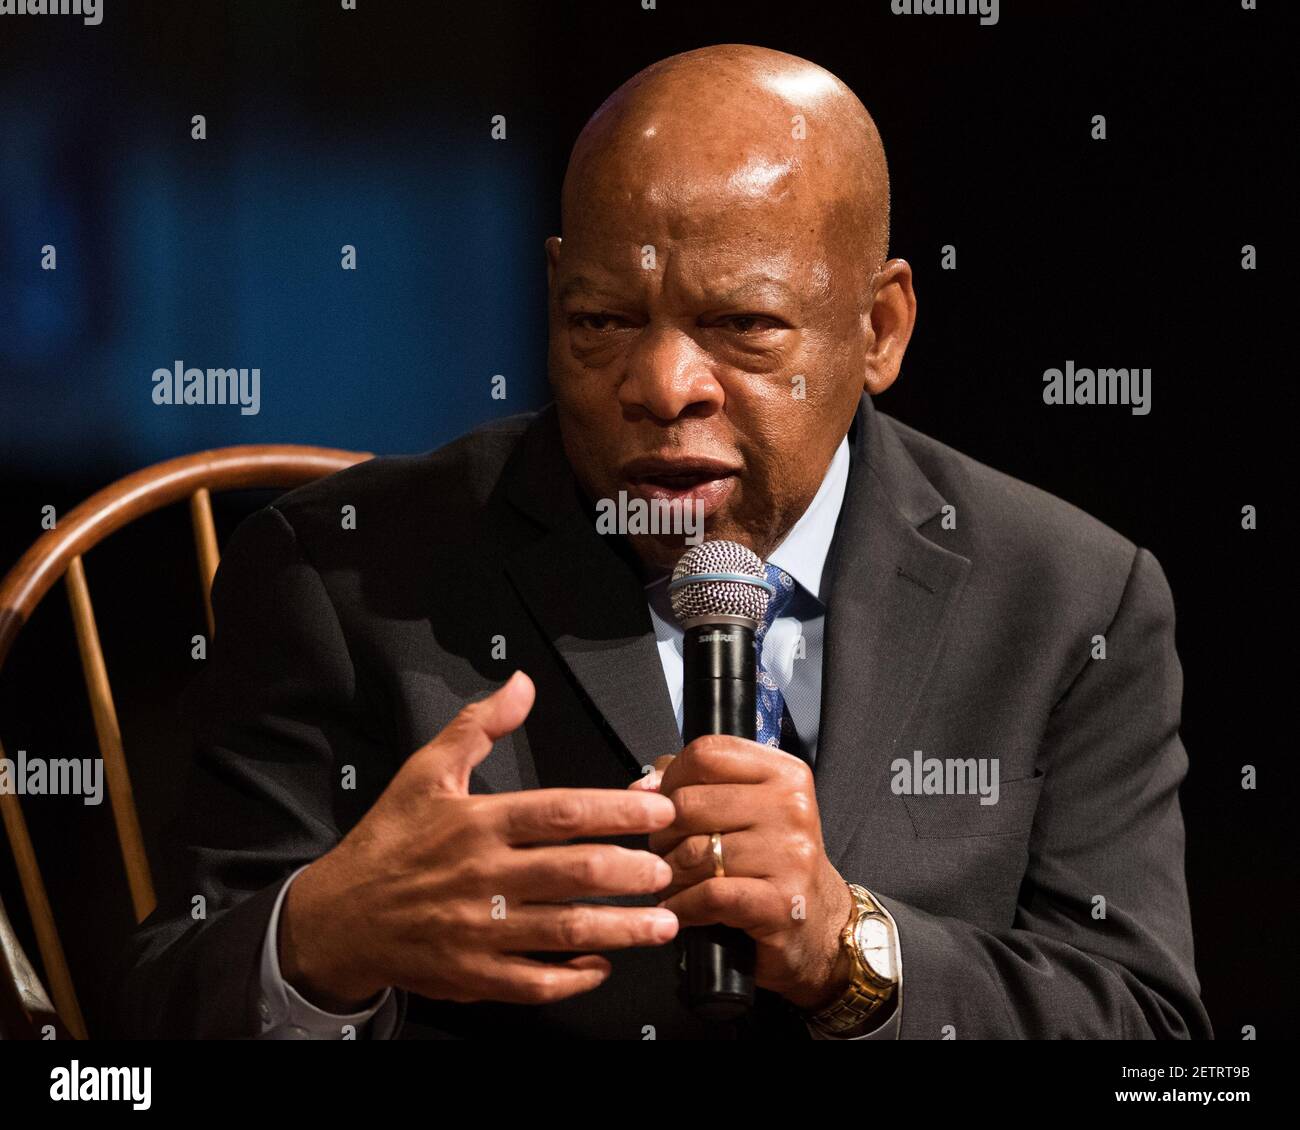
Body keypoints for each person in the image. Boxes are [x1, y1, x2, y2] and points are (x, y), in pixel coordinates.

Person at [116, 43, 1211, 1040]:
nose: (661, 385)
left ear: (878, 327)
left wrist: (851, 949)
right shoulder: (344, 575)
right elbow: (154, 1021)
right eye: (602, 320)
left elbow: (1149, 1034)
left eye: (743, 326)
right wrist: (319, 941)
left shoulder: (1070, 599)